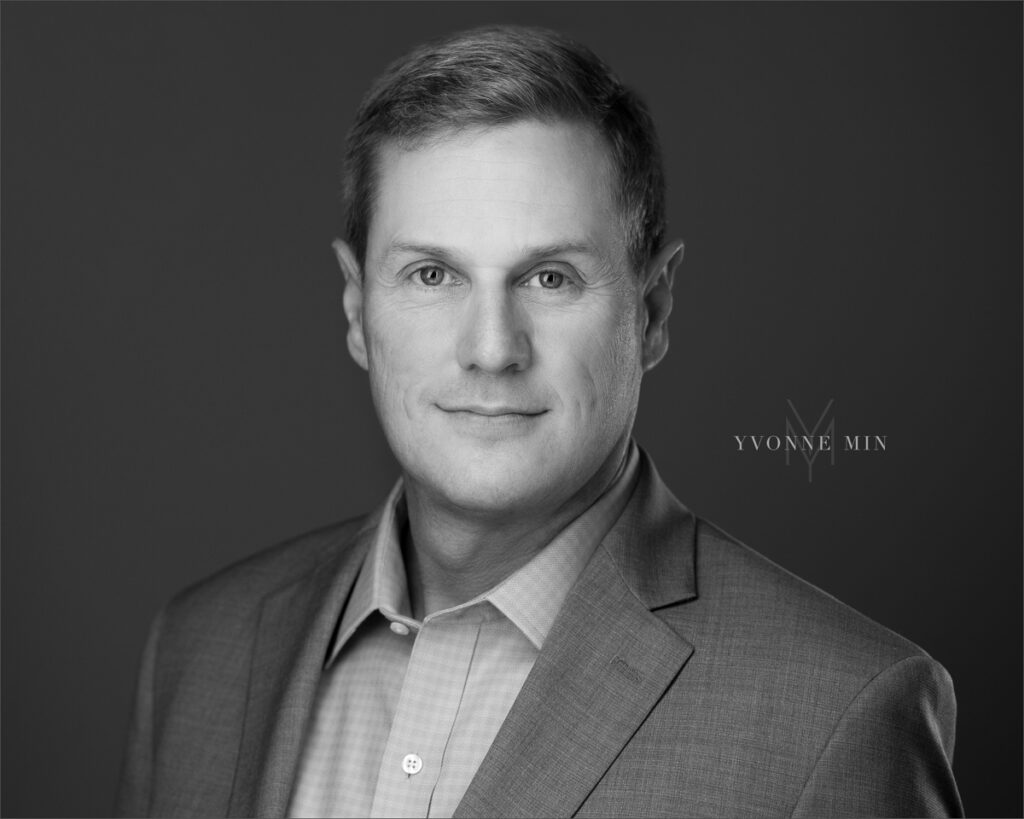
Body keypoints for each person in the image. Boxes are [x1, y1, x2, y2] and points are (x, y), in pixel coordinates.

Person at [115, 24, 963, 818]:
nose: (492, 349)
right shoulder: (201, 649)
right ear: (354, 306)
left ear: (655, 308)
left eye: (550, 278)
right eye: (432, 275)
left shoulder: (839, 715)